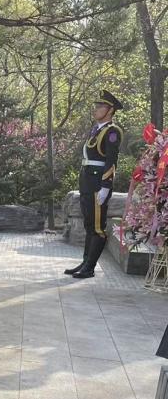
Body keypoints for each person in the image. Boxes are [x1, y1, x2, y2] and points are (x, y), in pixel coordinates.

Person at [66, 90, 125, 279]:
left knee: (98, 228)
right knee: (89, 225)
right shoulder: (96, 129)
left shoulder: (112, 131)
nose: (96, 109)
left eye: (100, 106)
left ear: (110, 110)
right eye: (96, 106)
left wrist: (106, 186)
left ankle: (90, 268)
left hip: (98, 184)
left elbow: (111, 161)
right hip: (87, 182)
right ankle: (85, 262)